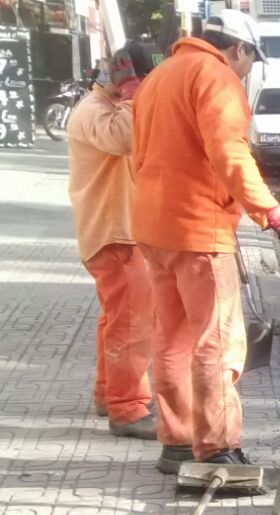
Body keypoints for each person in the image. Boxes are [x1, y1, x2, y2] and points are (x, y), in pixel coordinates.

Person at [130, 9, 280, 471]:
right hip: (199, 229)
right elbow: (230, 153)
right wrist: (276, 214)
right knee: (216, 341)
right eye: (251, 60)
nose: (248, 70)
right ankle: (216, 450)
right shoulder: (216, 77)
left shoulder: (159, 77)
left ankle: (177, 442)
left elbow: (140, 153)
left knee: (171, 339)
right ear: (239, 48)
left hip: (154, 227)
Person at [67, 42, 159, 440]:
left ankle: (109, 393)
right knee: (132, 322)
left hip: (118, 231)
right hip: (113, 233)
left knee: (118, 319)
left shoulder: (108, 107)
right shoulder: (95, 110)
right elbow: (123, 139)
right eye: (143, 80)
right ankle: (128, 407)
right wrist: (132, 95)